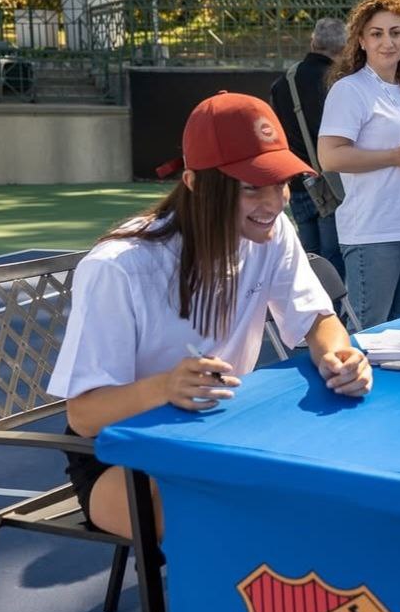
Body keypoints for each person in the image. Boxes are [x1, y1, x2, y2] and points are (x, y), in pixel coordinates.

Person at [48, 91, 373, 539]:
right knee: (241, 520)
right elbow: (84, 415)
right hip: (120, 455)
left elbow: (317, 319)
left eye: (280, 181)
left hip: (218, 428)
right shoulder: (118, 267)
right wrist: (165, 387)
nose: (275, 202)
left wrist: (340, 356)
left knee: (322, 487)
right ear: (196, 183)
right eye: (250, 187)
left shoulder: (273, 231)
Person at [318, 0, 400, 330]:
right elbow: (329, 157)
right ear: (360, 40)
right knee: (369, 334)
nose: (388, 41)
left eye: (396, 32)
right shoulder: (350, 90)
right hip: (373, 231)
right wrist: (396, 157)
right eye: (377, 33)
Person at [269, 17, 347, 279]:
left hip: (298, 182)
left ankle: (309, 314)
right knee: (334, 258)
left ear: (313, 42)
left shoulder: (284, 82)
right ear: (344, 48)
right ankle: (334, 314)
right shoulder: (338, 84)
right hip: (333, 182)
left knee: (309, 257)